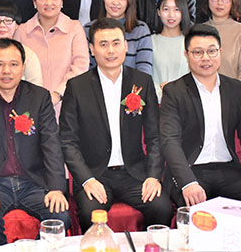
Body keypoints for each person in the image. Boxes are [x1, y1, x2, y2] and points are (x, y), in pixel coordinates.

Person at [61, 18, 172, 232]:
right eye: (103, 44)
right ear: (92, 49)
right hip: (96, 173)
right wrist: (87, 180)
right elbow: (67, 141)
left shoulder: (142, 81)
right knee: (89, 212)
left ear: (126, 46)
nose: (110, 50)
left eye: (116, 43)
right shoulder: (77, 87)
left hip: (134, 173)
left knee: (162, 208)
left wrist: (152, 176)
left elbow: (154, 136)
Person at [0, 39, 70, 248]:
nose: (6, 71)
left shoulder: (39, 97)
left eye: (13, 64)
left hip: (33, 182)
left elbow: (51, 144)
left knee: (60, 216)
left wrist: (56, 188)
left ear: (23, 67)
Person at [160, 25, 241, 208]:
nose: (205, 58)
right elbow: (169, 140)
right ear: (187, 55)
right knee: (196, 209)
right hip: (191, 169)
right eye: (198, 52)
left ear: (220, 52)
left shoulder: (235, 89)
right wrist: (188, 183)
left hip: (228, 169)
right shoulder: (174, 91)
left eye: (211, 51)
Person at [14, 0, 90, 106]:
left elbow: (80, 66)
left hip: (68, 101)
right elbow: (16, 69)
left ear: (61, 1)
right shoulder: (22, 31)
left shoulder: (74, 28)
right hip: (31, 104)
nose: (48, 3)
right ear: (34, 3)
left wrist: (58, 94)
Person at [85, 0, 153, 74]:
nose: (115, 2)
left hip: (133, 83)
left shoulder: (141, 30)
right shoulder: (88, 29)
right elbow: (85, 68)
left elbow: (144, 70)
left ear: (129, 1)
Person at [203, 0, 241, 89]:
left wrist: (235, 95)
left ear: (232, 1)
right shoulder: (199, 31)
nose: (220, 3)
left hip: (233, 94)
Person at [150, 0, 191, 102]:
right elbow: (146, 75)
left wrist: (173, 90)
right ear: (159, 12)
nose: (171, 15)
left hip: (185, 102)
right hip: (157, 102)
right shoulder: (150, 41)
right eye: (166, 9)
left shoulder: (190, 42)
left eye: (176, 9)